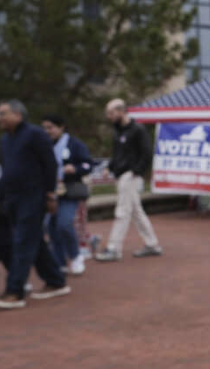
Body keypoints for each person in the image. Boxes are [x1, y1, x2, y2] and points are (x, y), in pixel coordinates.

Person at [0, 99, 69, 309]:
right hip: (13, 200)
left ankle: (14, 291)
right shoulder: (5, 141)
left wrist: (50, 195)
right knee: (35, 242)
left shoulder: (35, 134)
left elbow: (50, 165)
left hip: (33, 198)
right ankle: (56, 280)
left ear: (18, 115)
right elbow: (5, 172)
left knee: (23, 243)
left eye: (2, 113)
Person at [96, 98, 163, 261]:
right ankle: (152, 244)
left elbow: (147, 152)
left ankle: (114, 248)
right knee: (136, 212)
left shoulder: (137, 130)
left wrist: (136, 171)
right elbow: (117, 154)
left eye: (111, 113)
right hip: (121, 175)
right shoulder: (118, 131)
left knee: (122, 212)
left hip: (130, 175)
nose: (108, 116)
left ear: (121, 111)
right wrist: (109, 167)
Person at [41, 113, 93, 276]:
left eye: (51, 127)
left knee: (64, 223)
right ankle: (59, 261)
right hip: (49, 191)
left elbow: (88, 164)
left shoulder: (74, 144)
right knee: (50, 226)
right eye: (45, 128)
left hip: (69, 191)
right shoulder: (43, 144)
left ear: (61, 127)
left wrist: (75, 169)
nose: (48, 131)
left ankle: (76, 256)